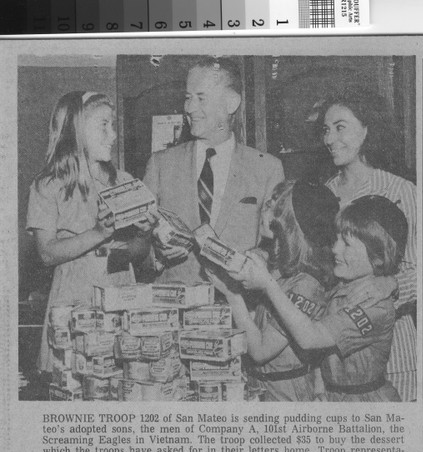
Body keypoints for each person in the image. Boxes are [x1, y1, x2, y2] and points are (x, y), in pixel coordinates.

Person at [210, 195, 407, 402]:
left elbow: (310, 338)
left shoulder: (374, 304)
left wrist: (267, 285)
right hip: (333, 397)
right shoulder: (343, 282)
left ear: (377, 256)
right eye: (337, 239)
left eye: (347, 244)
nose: (335, 249)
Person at [26, 91, 150, 373]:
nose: (113, 135)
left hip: (121, 293)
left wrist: (143, 235)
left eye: (113, 126)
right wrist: (98, 233)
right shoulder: (48, 186)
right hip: (73, 298)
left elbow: (138, 256)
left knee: (122, 382)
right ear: (76, 131)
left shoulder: (125, 182)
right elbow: (46, 253)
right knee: (74, 380)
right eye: (103, 125)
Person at [143, 56, 284, 284]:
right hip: (176, 309)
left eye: (201, 98)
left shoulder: (268, 168)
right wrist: (156, 254)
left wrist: (258, 258)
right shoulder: (161, 164)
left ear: (231, 103)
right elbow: (137, 247)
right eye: (188, 98)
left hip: (238, 311)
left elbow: (278, 244)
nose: (189, 108)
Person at [318, 87, 417, 401]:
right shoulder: (322, 195)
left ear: (366, 130)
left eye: (340, 127)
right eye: (326, 130)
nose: (330, 139)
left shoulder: (402, 190)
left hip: (394, 361)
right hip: (334, 363)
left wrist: (391, 283)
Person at [206, 179, 340, 401]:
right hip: (262, 385)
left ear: (291, 223)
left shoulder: (306, 284)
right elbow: (259, 323)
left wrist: (233, 294)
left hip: (286, 393)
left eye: (275, 206)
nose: (265, 207)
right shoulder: (279, 268)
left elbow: (260, 352)